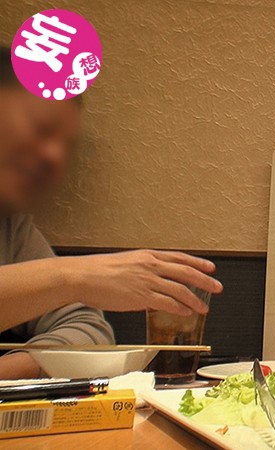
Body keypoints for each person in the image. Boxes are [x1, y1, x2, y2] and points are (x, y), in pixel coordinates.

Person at [0, 46, 223, 379]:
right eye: (42, 127)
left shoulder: (10, 228)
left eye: (66, 145)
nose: (55, 157)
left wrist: (10, 370)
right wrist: (73, 276)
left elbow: (89, 330)